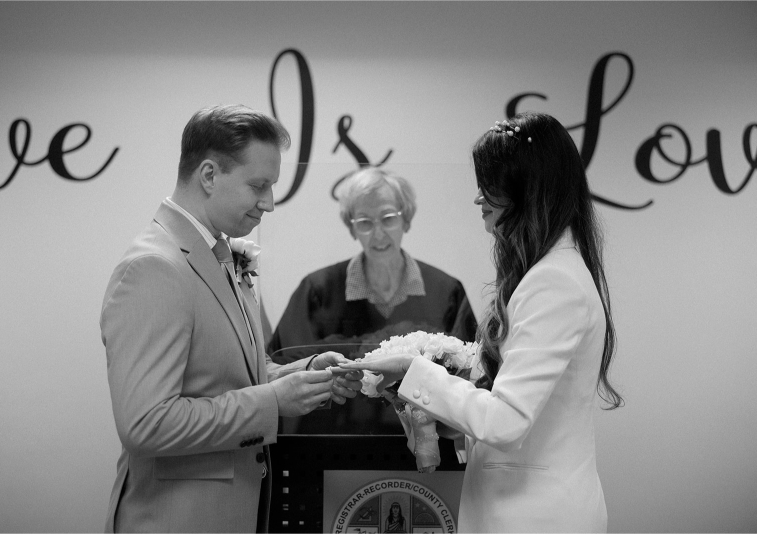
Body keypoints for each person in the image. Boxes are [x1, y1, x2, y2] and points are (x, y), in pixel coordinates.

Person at [341, 112, 623, 532]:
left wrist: (413, 372)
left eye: (488, 186)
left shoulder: (553, 282)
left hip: (534, 517)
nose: (478, 199)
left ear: (526, 189)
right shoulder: (550, 271)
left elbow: (505, 422)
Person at [100, 104, 363, 533]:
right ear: (208, 175)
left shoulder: (216, 254)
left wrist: (305, 375)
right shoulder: (153, 268)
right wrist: (274, 404)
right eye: (259, 186)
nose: (270, 203)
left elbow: (225, 380)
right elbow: (146, 424)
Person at [268, 167, 476, 435]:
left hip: (423, 451)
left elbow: (471, 375)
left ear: (407, 220)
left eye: (388, 218)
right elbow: (285, 365)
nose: (378, 233)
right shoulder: (318, 289)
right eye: (365, 222)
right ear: (352, 228)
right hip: (334, 447)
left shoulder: (445, 290)